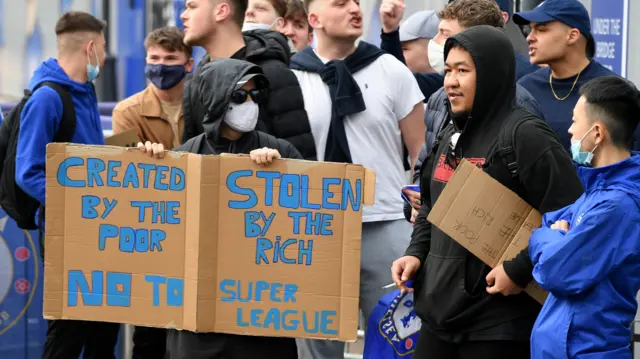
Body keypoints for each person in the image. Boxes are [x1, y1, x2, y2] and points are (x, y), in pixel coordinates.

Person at [391, 25, 585, 358]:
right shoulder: (450, 135)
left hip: (499, 325)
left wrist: (518, 269)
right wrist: (416, 252)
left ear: (492, 73)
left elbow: (572, 217)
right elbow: (430, 208)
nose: (450, 81)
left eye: (463, 71)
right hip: (438, 316)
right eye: (448, 70)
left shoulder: (525, 135)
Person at [290, 0, 426, 358]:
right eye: (340, 3)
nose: (354, 9)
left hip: (385, 223)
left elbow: (423, 151)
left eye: (355, 2)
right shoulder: (291, 77)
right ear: (314, 18)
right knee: (316, 347)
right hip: (314, 229)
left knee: (399, 343)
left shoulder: (390, 70)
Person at [156, 58, 300, 359]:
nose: (249, 103)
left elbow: (305, 227)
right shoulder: (183, 158)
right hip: (198, 328)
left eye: (253, 95)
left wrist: (281, 173)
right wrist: (147, 164)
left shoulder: (281, 152)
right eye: (238, 96)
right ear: (215, 98)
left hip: (261, 326)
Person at [15, 11, 120, 359]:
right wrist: (76, 203)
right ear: (90, 48)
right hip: (68, 236)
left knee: (104, 333)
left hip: (99, 231)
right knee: (68, 334)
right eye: (103, 49)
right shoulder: (48, 99)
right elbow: (28, 171)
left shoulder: (85, 92)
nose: (104, 57)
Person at [400, 0, 544, 224]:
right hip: (439, 243)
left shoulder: (519, 106)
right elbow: (425, 166)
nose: (436, 42)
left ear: (477, 43)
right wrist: (418, 200)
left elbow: (533, 196)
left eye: (444, 34)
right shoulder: (440, 98)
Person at [528, 76, 640, 359]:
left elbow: (554, 271)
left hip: (589, 351)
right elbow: (548, 220)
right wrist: (557, 236)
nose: (569, 130)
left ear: (597, 132)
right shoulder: (597, 190)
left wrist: (550, 237)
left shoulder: (617, 206)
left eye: (575, 121)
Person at [179, 0, 315, 160]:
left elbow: (303, 167)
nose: (183, 15)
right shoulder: (195, 82)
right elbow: (187, 161)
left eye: (192, 7)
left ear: (221, 11)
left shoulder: (274, 73)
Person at [513, 0, 640, 151]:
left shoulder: (614, 92)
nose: (530, 38)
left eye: (541, 30)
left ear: (572, 36)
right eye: (530, 30)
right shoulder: (525, 88)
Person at [112, 27, 194, 150]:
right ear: (146, 61)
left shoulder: (202, 106)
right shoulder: (125, 112)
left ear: (189, 65)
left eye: (170, 58)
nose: (161, 65)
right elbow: (122, 163)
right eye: (154, 58)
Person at [379, 8, 444, 102]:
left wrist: (390, 34)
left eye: (404, 49)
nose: (399, 55)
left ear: (434, 49)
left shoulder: (447, 85)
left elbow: (399, 81)